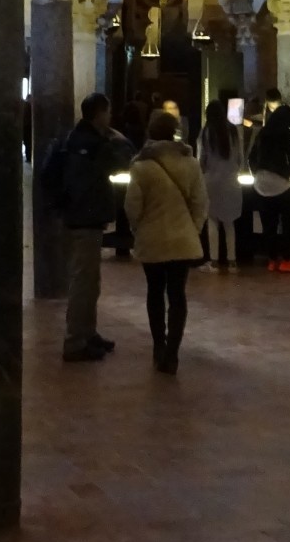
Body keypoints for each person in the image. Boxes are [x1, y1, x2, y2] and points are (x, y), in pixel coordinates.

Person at [122, 110, 208, 374]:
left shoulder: (141, 166)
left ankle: (159, 345)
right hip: (182, 239)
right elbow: (200, 203)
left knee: (155, 293)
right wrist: (191, 229)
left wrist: (139, 230)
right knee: (177, 295)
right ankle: (173, 352)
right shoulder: (190, 163)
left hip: (153, 238)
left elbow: (132, 206)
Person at [52, 93, 124, 362]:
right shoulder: (90, 143)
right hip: (84, 219)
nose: (110, 117)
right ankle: (75, 340)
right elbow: (121, 159)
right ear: (99, 114)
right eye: (108, 112)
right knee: (83, 281)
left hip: (83, 217)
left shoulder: (78, 139)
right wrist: (117, 139)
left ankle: (87, 332)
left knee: (90, 281)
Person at [248, 104, 290, 273]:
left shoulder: (263, 132)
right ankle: (286, 260)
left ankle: (271, 260)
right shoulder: (286, 133)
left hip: (261, 182)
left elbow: (251, 157)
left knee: (268, 224)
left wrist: (256, 173)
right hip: (281, 182)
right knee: (287, 223)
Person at [198, 105, 242, 268]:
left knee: (212, 220)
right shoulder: (234, 132)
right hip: (231, 181)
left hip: (211, 180)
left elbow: (202, 158)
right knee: (229, 222)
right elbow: (239, 157)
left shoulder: (206, 132)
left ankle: (214, 261)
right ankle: (232, 261)